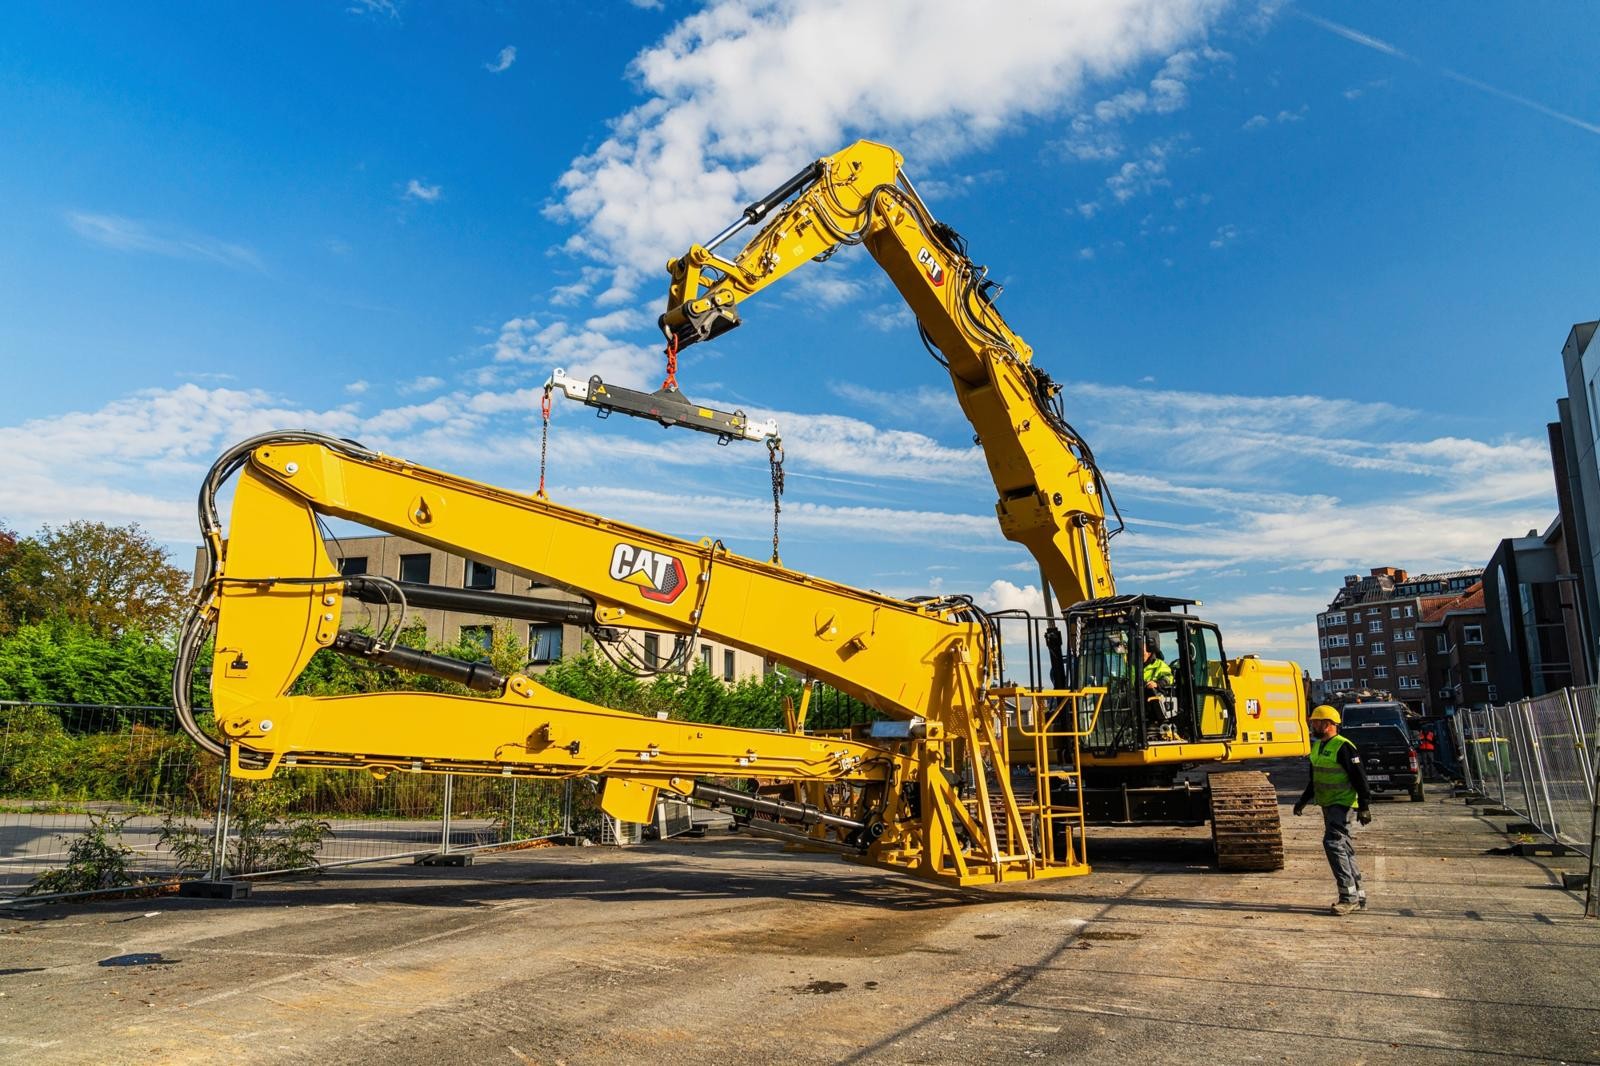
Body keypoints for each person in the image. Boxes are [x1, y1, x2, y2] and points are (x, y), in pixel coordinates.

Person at [1294, 705, 1373, 915]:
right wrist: (1303, 800)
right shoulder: (1318, 747)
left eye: (1316, 723)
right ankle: (1358, 895)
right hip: (1328, 804)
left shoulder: (1343, 747)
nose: (1313, 726)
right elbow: (1314, 778)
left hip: (1343, 803)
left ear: (1328, 724)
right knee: (1344, 847)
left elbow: (1360, 778)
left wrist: (1364, 806)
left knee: (1333, 844)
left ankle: (1348, 898)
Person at [1142, 643, 1176, 740]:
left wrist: (1157, 683)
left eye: (1141, 650)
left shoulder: (1159, 664)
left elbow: (1169, 678)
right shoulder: (1133, 666)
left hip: (1156, 696)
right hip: (1136, 696)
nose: (1139, 652)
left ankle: (1161, 724)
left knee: (1150, 691)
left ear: (1149, 651)